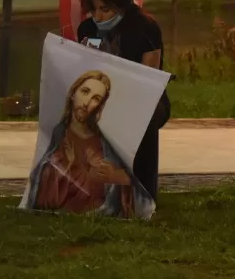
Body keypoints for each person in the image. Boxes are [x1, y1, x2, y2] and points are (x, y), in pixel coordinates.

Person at [77, 0, 169, 201]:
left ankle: (141, 192)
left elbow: (150, 77)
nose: (98, 16)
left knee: (143, 115)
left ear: (122, 7)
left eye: (105, 10)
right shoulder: (87, 29)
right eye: (94, 10)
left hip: (142, 98)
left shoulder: (144, 27)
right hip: (100, 95)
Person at [21, 69, 153, 217]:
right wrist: (64, 167)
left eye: (96, 98)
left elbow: (130, 186)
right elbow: (42, 186)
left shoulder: (103, 142)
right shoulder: (59, 134)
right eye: (85, 92)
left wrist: (120, 177)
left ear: (100, 106)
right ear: (72, 93)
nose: (87, 102)